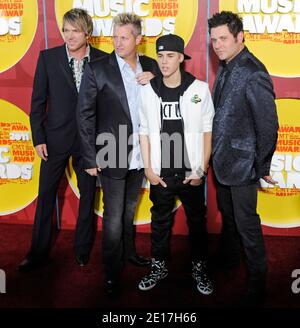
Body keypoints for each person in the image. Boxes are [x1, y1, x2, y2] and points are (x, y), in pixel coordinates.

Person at [18, 8, 107, 272]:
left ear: (87, 32)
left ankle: (82, 250)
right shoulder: (48, 58)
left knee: (88, 196)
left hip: (89, 143)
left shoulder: (103, 60)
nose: (69, 35)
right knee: (45, 196)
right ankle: (37, 252)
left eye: (75, 30)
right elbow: (37, 103)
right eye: (65, 30)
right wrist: (38, 138)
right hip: (54, 140)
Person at [77, 13, 159, 295]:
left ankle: (129, 253)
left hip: (142, 155)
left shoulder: (151, 66)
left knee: (128, 211)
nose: (118, 42)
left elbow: (172, 95)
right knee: (112, 217)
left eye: (124, 37)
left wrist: (157, 80)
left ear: (138, 39)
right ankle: (112, 271)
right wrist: (89, 158)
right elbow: (84, 115)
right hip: (110, 153)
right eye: (115, 36)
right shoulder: (97, 68)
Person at [208, 11, 278, 306]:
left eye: (224, 38)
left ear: (240, 37)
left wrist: (260, 165)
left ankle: (257, 281)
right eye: (213, 40)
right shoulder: (226, 66)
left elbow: (268, 124)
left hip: (243, 164)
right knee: (230, 219)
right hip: (222, 162)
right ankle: (229, 261)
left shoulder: (253, 71)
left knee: (246, 222)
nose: (218, 45)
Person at [137, 34, 215, 295]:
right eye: (160, 56)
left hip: (190, 172)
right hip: (161, 173)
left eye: (170, 55)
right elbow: (144, 132)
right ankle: (159, 266)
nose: (164, 61)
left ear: (181, 58)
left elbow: (207, 132)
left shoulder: (199, 90)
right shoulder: (148, 91)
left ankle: (199, 268)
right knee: (159, 222)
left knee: (196, 222)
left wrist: (201, 169)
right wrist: (148, 169)